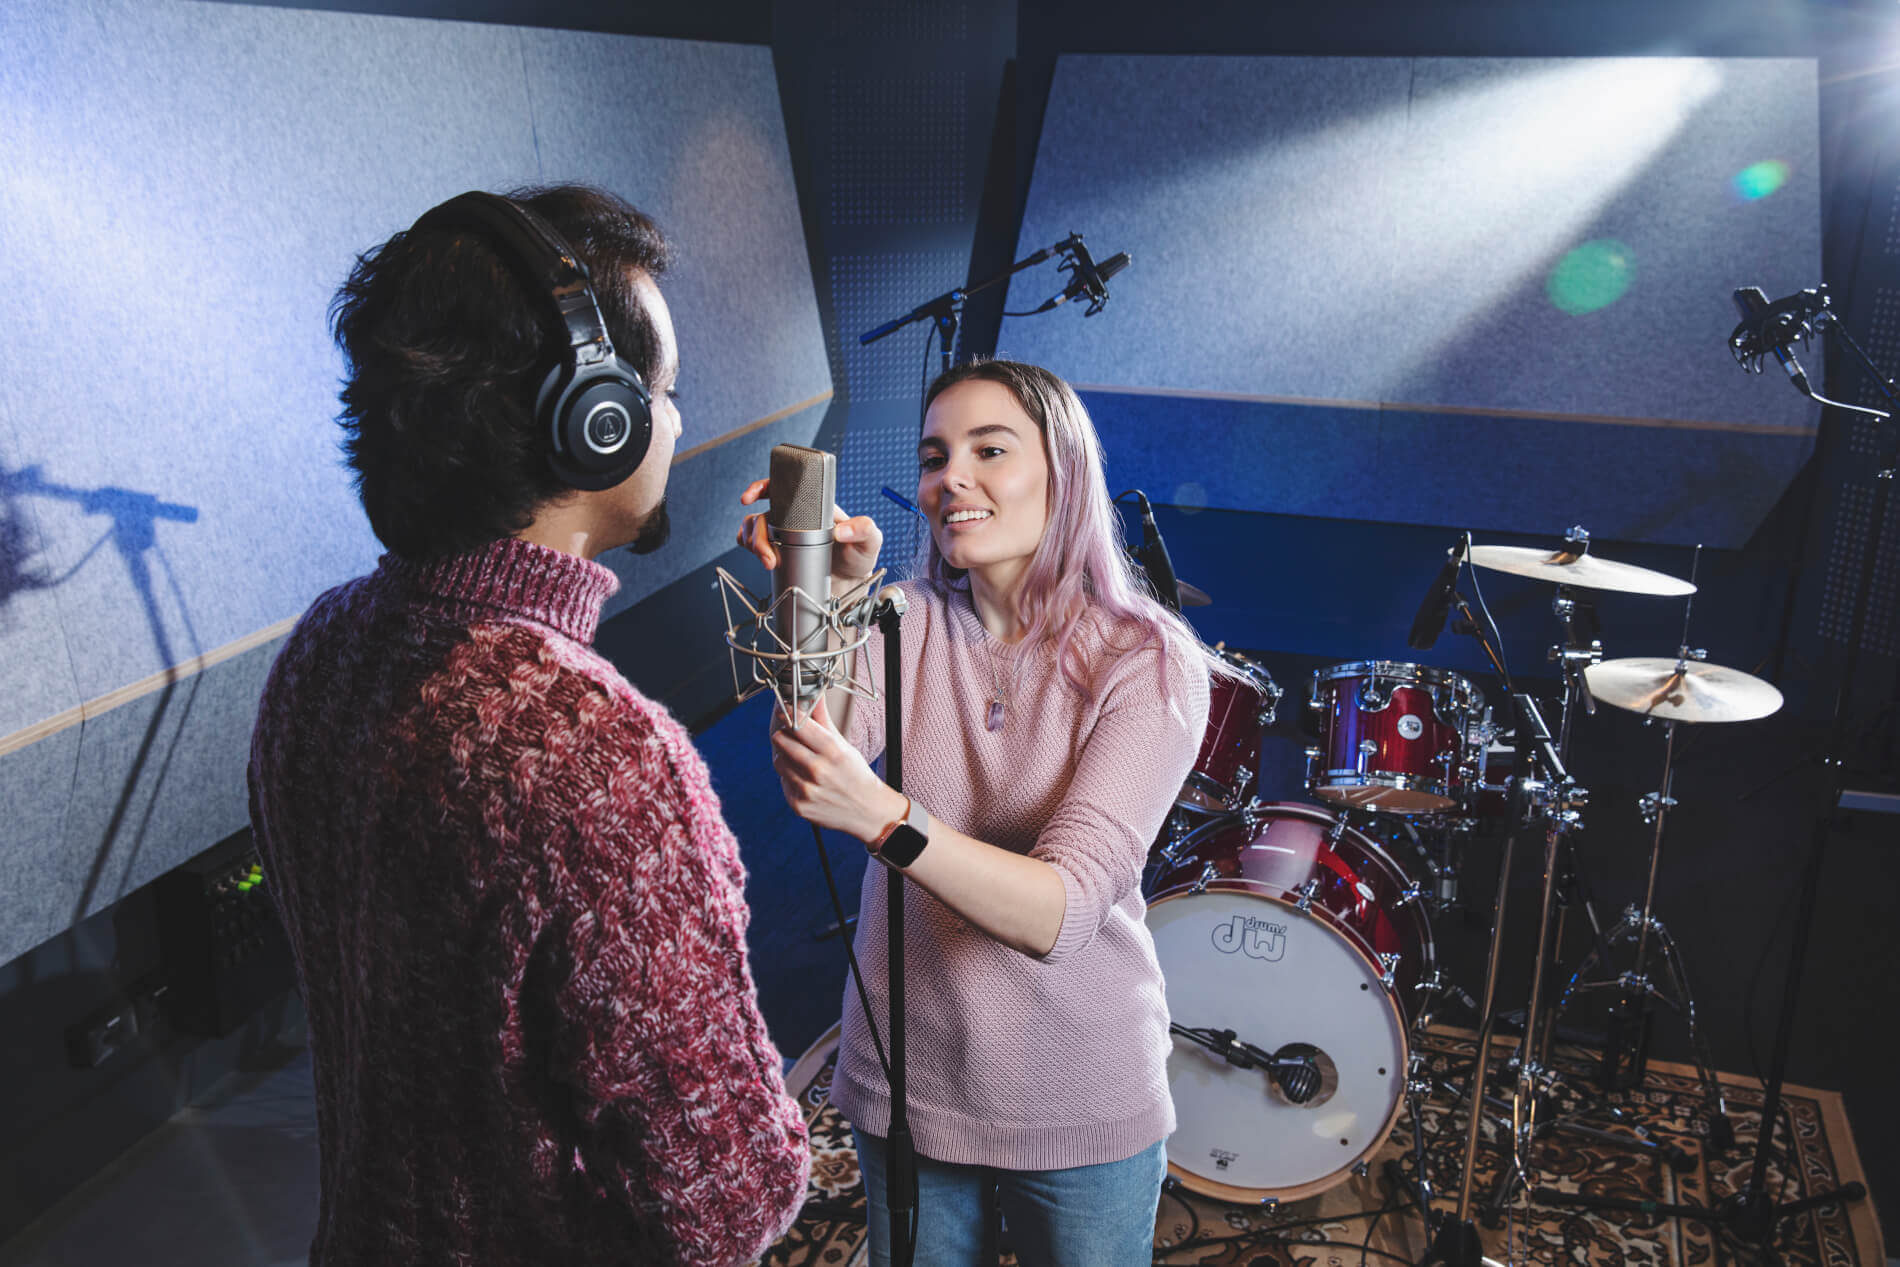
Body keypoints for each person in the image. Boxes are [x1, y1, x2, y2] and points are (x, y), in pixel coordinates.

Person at [249, 184, 809, 1267]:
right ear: (592, 421)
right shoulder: (597, 756)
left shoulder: (324, 648)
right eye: (664, 391)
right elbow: (730, 1199)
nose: (677, 420)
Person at [736, 359, 1217, 1266]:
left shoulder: (1146, 661)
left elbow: (1061, 911)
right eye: (934, 455)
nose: (948, 476)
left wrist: (887, 818)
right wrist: (822, 591)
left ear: (1062, 472)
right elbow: (811, 760)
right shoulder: (899, 619)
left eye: (989, 449)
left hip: (1079, 1094)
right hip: (910, 1085)